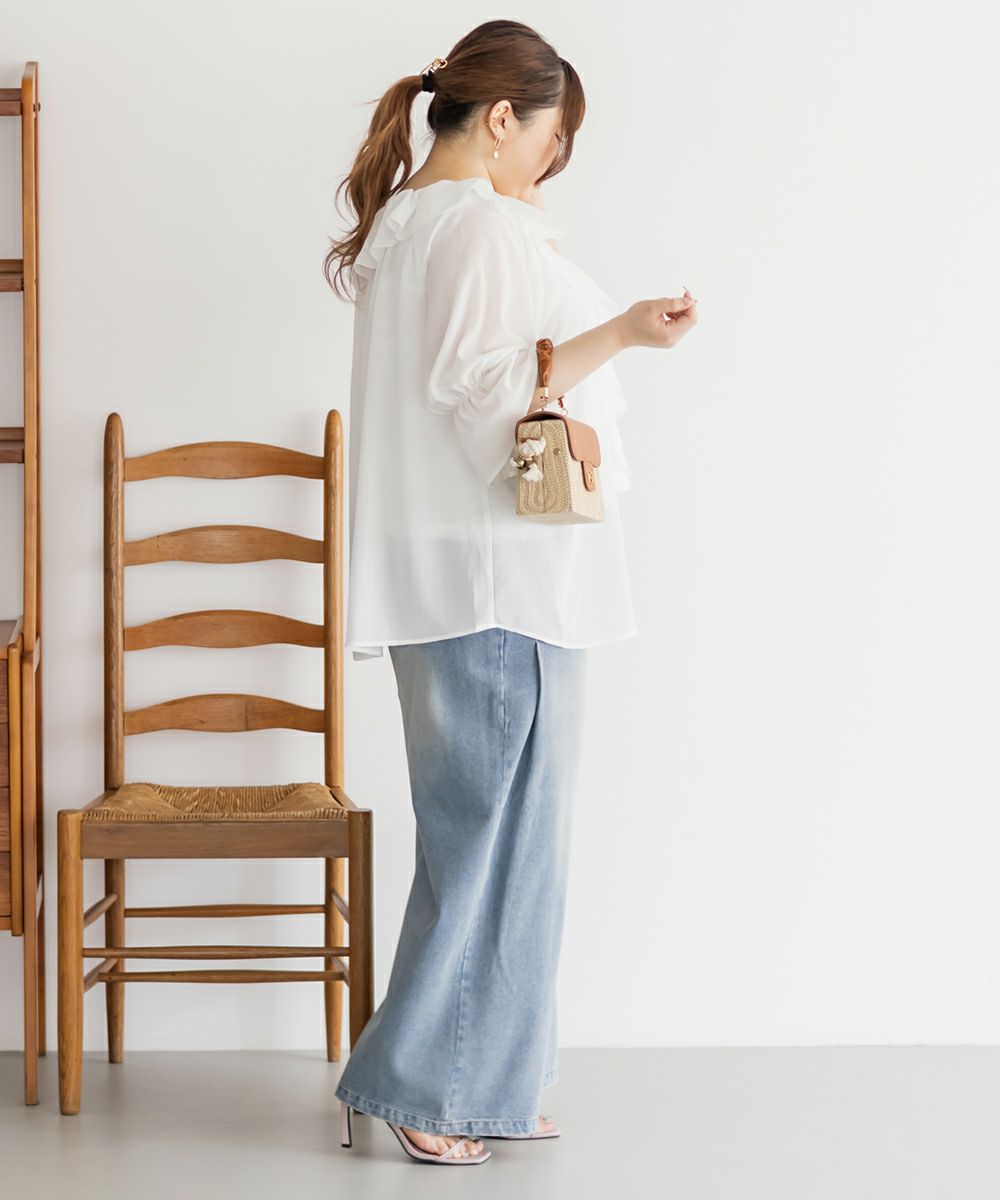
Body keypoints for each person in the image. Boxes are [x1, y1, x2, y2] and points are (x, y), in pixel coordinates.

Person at [322, 19, 698, 1167]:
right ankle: (426, 1085)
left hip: (448, 573)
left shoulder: (405, 224)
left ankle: (485, 1078)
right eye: (547, 139)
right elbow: (490, 394)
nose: (549, 164)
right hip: (498, 579)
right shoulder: (475, 224)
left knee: (495, 837)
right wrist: (620, 333)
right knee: (494, 841)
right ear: (499, 119)